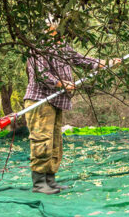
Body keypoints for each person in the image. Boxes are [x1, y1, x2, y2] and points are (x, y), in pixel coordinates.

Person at [24, 16, 121, 194]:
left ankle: (50, 180)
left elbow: (79, 59)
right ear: (51, 28)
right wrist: (62, 83)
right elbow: (40, 74)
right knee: (42, 140)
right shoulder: (38, 47)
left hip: (56, 101)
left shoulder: (61, 46)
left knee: (54, 142)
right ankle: (39, 184)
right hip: (40, 101)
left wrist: (104, 63)